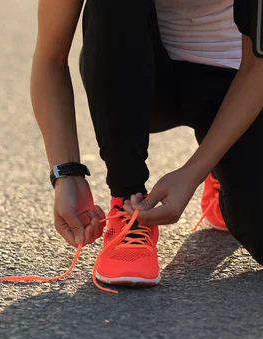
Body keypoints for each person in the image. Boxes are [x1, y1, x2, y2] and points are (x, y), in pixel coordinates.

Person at [31, 0, 263, 287]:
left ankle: (220, 169)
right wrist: (66, 174)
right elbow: (49, 60)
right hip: (136, 77)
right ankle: (128, 208)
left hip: (235, 83)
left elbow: (258, 70)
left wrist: (193, 173)